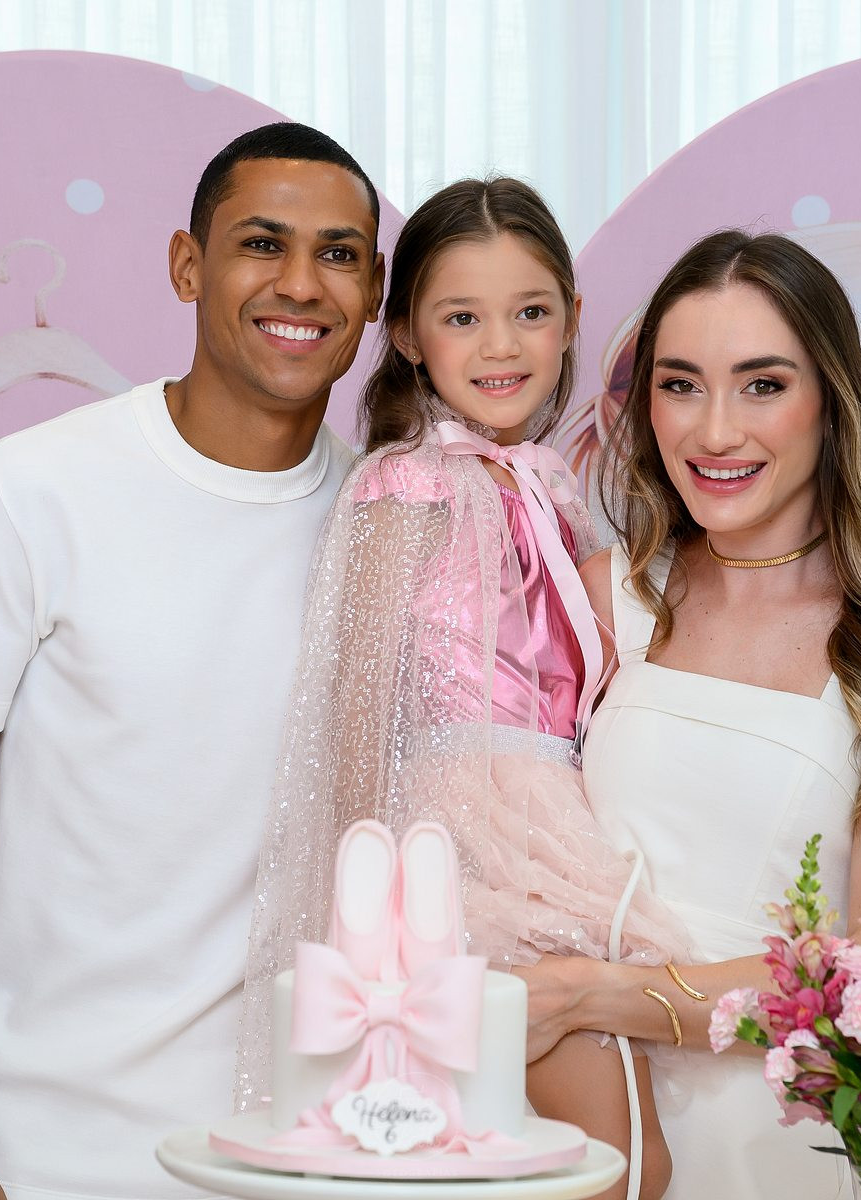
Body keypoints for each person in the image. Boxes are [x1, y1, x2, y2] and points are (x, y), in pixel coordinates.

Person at [0, 122, 384, 1200]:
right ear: (188, 265)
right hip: (41, 1153)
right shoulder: (36, 489)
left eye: (338, 254)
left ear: (375, 292)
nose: (300, 284)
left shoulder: (387, 523)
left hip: (300, 1153)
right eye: (261, 244)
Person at [517, 229, 861, 1200]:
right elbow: (505, 848)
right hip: (577, 1124)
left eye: (763, 385)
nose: (714, 432)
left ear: (832, 401)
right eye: (681, 384)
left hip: (777, 1143)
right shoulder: (605, 596)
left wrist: (596, 995)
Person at [237, 177, 688, 1200]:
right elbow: (356, 713)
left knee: (610, 1158)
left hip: (565, 820)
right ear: (405, 333)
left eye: (530, 312)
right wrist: (371, 917)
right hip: (462, 846)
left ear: (571, 317)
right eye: (461, 318)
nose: (501, 346)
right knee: (601, 1160)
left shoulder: (551, 484)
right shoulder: (407, 486)